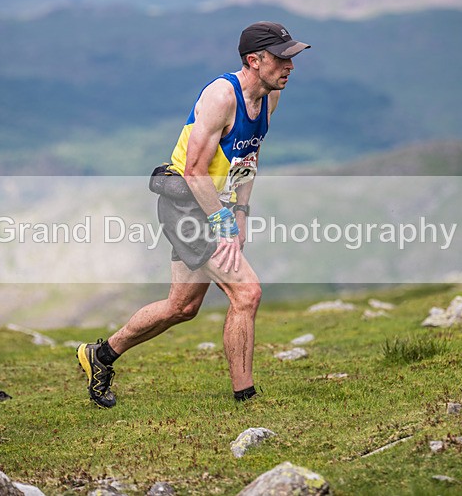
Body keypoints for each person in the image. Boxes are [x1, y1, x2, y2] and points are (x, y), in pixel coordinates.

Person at [77, 21, 310, 408]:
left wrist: (241, 211)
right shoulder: (221, 96)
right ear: (253, 60)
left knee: (182, 307)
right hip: (185, 202)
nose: (290, 65)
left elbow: (248, 155)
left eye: (292, 57)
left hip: (212, 204)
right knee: (247, 292)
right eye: (281, 57)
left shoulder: (269, 98)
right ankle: (245, 397)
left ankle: (100, 356)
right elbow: (194, 171)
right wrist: (222, 224)